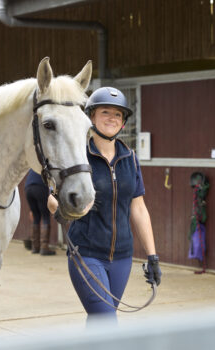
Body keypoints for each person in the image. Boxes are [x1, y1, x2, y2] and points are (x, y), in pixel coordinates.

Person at [48, 87, 161, 322]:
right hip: (86, 254)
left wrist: (152, 256)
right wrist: (67, 210)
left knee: (99, 323)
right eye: (106, 112)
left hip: (122, 257)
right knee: (106, 320)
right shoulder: (79, 156)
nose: (112, 118)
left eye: (118, 114)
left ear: (123, 122)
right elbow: (52, 198)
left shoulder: (130, 159)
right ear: (91, 117)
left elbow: (138, 208)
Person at [24, 170, 55, 255]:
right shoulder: (49, 163)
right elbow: (52, 183)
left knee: (36, 217)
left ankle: (35, 247)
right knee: (45, 216)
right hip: (40, 186)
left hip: (28, 188)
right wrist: (53, 197)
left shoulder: (35, 164)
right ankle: (44, 247)